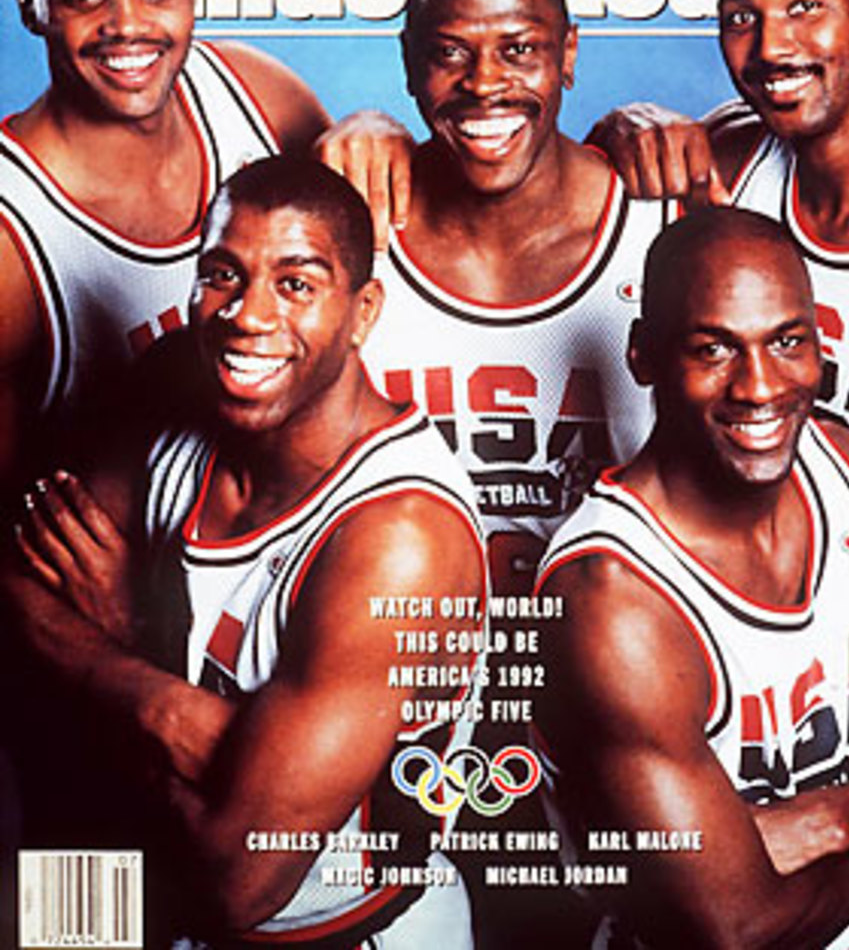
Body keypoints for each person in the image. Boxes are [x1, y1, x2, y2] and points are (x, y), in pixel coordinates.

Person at [4, 155, 487, 948]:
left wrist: (134, 642)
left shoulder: (398, 535)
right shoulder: (177, 382)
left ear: (362, 311)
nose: (247, 315)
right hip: (152, 889)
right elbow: (17, 587)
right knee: (23, 910)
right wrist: (173, 711)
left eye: (295, 284)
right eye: (223, 275)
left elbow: (242, 885)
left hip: (346, 931)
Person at [535, 207, 849, 948]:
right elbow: (738, 926)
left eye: (787, 342)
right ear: (643, 356)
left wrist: (829, 819)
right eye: (713, 350)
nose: (759, 386)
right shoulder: (611, 600)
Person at [0, 0, 412, 504]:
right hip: (130, 548)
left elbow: (364, 248)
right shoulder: (13, 231)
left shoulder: (253, 92)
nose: (127, 25)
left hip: (293, 516)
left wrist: (377, 125)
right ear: (32, 8)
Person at [363, 0, 669, 596]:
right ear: (409, 61)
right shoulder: (354, 233)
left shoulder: (664, 225)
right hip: (400, 648)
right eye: (449, 52)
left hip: (627, 645)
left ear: (568, 52)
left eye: (519, 49)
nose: (484, 82)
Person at [593, 0, 849, 456]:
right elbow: (571, 189)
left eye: (804, 6)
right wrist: (618, 129)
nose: (770, 48)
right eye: (740, 17)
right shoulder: (725, 165)